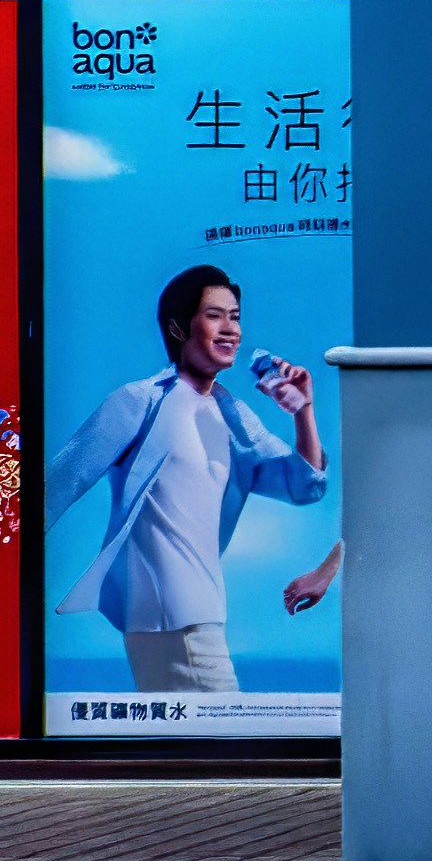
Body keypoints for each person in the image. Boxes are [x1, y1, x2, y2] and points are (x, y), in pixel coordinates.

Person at [51, 266, 327, 697]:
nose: (230, 329)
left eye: (234, 316)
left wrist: (303, 413)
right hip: (169, 616)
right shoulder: (138, 401)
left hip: (202, 611)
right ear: (179, 327)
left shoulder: (233, 415)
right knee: (227, 751)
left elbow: (305, 486)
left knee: (197, 756)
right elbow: (57, 483)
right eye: (214, 315)